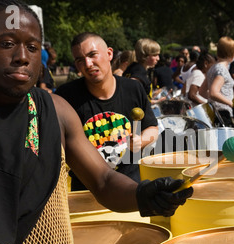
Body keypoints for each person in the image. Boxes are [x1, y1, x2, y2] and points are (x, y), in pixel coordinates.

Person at [0, 0, 193, 244]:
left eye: (32, 47)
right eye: (7, 43)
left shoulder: (54, 108)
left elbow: (103, 180)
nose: (22, 56)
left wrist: (145, 195)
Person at [56, 32, 159, 186]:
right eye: (80, 60)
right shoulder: (65, 97)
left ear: (109, 53)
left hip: (130, 187)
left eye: (93, 55)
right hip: (86, 189)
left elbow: (152, 127)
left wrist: (141, 140)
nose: (88, 64)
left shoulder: (133, 88)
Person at [200, 36, 234, 127]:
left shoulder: (213, 67)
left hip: (214, 112)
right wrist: (231, 103)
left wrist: (213, 102)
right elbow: (213, 92)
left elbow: (202, 91)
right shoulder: (221, 70)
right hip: (223, 113)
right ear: (231, 53)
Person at [123, 38, 163, 104]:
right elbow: (130, 95)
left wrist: (156, 100)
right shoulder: (138, 74)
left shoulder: (133, 68)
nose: (158, 59)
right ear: (144, 55)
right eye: (155, 55)